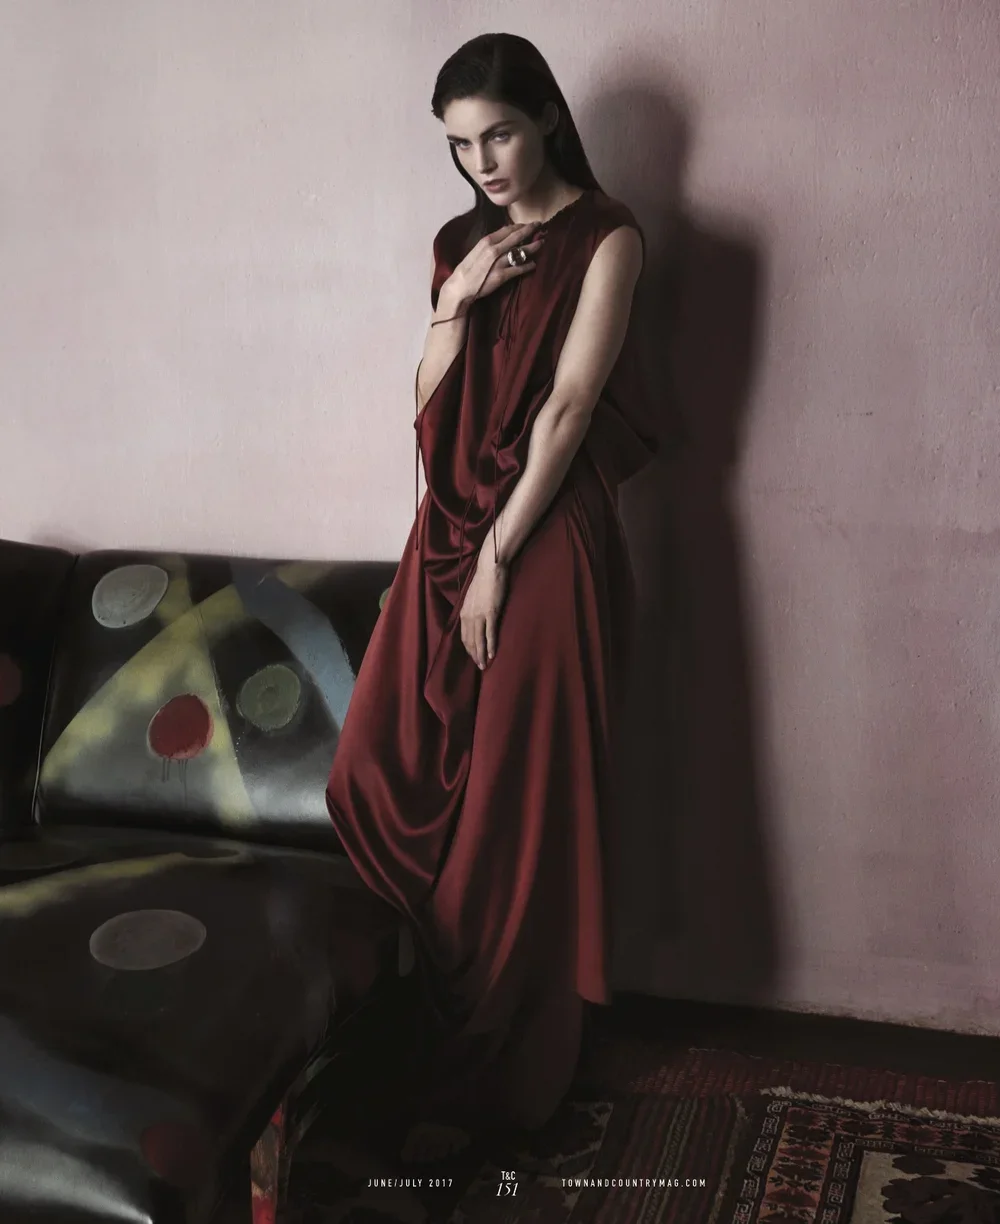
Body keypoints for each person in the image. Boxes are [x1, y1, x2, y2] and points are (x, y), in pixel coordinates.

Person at [325, 32, 658, 1165]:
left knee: (514, 807)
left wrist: (500, 559)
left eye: (500, 135)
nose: (484, 164)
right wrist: (456, 299)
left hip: (543, 538)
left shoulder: (609, 236)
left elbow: (568, 411)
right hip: (448, 526)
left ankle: (502, 1078)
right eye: (462, 146)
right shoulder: (457, 245)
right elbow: (426, 402)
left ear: (548, 117)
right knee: (376, 767)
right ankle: (428, 1035)